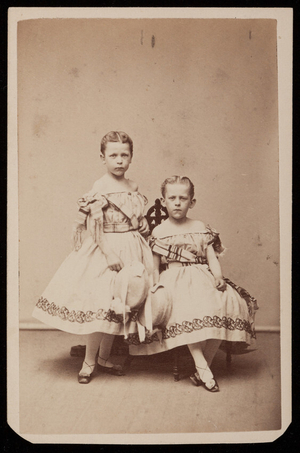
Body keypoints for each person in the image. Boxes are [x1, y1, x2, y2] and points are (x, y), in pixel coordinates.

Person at [32, 131, 153, 384]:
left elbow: (135, 218)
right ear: (103, 157)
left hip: (132, 248)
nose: (119, 160)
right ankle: (89, 361)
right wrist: (108, 254)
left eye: (124, 155)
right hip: (106, 248)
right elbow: (93, 226)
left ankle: (105, 357)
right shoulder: (100, 187)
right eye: (113, 155)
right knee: (100, 305)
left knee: (118, 305)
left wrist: (141, 226)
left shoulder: (133, 187)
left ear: (131, 157)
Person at [128, 176, 258, 392]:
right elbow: (154, 266)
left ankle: (201, 368)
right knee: (186, 310)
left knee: (225, 304)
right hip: (173, 279)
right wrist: (155, 288)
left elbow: (212, 258)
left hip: (201, 275)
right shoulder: (159, 231)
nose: (177, 202)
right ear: (164, 200)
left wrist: (218, 276)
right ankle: (203, 369)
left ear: (192, 202)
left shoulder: (200, 227)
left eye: (183, 198)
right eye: (172, 198)